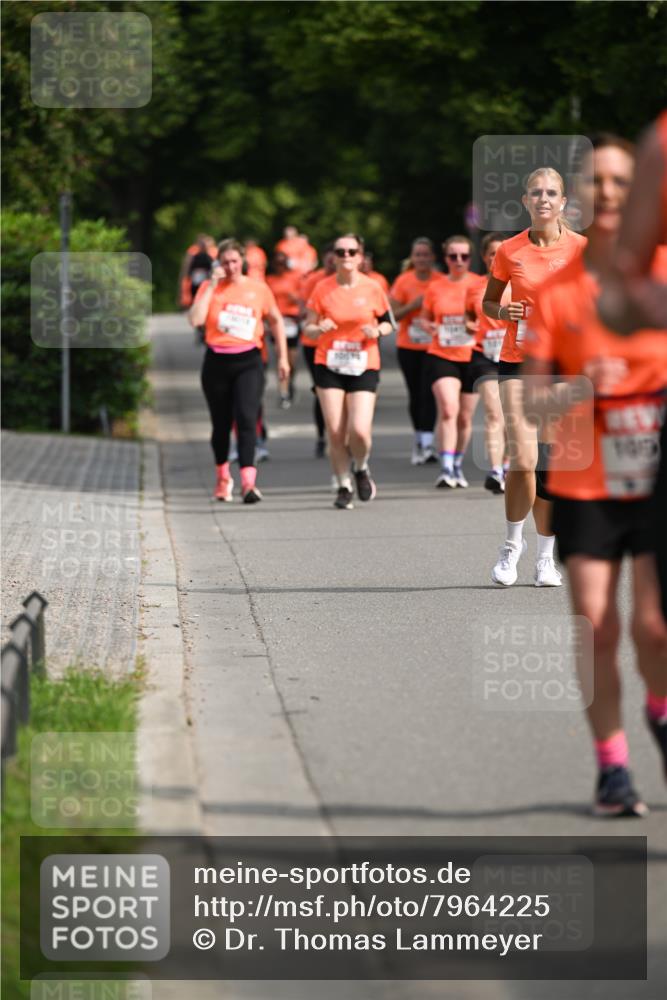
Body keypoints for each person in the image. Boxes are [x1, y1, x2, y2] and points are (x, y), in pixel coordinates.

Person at [522, 134, 667, 816]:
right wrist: (581, 385)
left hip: (656, 470)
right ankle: (611, 767)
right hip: (585, 476)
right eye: (597, 182)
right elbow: (530, 397)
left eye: (620, 181)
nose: (608, 193)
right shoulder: (556, 294)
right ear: (581, 196)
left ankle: (660, 711)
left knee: (654, 628)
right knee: (594, 622)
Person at [483, 167, 587, 586]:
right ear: (525, 202)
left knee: (549, 466)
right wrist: (503, 311)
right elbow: (490, 302)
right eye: (535, 193)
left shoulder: (582, 248)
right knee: (522, 460)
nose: (543, 199)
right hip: (518, 361)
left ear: (563, 202)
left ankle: (546, 558)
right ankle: (512, 546)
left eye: (551, 193)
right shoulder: (509, 250)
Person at [189, 239, 289, 504]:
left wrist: (282, 359)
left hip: (249, 361)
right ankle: (223, 477)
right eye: (225, 262)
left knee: (246, 419)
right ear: (217, 264)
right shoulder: (210, 289)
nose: (231, 267)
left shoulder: (258, 289)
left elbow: (276, 320)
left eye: (235, 261)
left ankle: (248, 482)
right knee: (220, 425)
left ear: (243, 261)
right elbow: (196, 320)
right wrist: (211, 284)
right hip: (217, 362)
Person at [303, 233, 393, 509]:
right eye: (340, 252)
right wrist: (318, 329)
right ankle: (343, 484)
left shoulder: (373, 287)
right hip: (329, 363)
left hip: (363, 362)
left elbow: (389, 323)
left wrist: (377, 330)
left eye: (351, 252)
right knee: (335, 430)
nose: (345, 257)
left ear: (360, 256)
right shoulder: (322, 288)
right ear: (332, 257)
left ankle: (361, 467)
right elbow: (307, 326)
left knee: (359, 431)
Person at [420, 235, 485, 488]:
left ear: (471, 259)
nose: (458, 261)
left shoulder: (480, 285)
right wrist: (430, 327)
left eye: (464, 256)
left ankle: (457, 463)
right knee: (448, 409)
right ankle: (446, 467)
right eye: (453, 256)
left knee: (465, 418)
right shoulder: (436, 286)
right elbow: (424, 318)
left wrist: (474, 325)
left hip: (472, 355)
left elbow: (492, 318)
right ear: (445, 258)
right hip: (442, 353)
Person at [389, 237, 445, 464]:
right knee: (415, 394)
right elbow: (392, 317)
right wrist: (414, 305)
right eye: (418, 255)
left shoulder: (441, 281)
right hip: (409, 346)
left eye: (426, 254)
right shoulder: (403, 282)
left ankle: (428, 442)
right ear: (412, 258)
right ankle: (420, 438)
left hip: (434, 346)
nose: (422, 259)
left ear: (432, 257)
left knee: (429, 394)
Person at [464, 232, 508, 493]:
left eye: (501, 252)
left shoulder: (522, 283)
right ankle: (495, 471)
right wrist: (469, 325)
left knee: (514, 417)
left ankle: (506, 463)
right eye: (492, 253)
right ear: (484, 257)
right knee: (494, 413)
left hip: (515, 355)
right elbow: (467, 318)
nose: (497, 257)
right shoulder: (474, 288)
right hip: (484, 356)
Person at [300, 244, 336, 457]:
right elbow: (305, 309)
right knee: (320, 390)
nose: (332, 263)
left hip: (340, 345)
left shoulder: (350, 282)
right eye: (329, 259)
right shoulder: (315, 281)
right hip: (314, 344)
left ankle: (342, 436)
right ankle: (322, 436)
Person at [266, 251, 303, 408]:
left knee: (292, 360)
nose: (280, 266)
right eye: (277, 263)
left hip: (292, 321)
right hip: (276, 321)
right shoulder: (269, 280)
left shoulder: (294, 278)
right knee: (280, 357)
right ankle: (283, 392)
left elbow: (303, 299)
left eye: (283, 263)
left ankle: (290, 381)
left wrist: (294, 298)